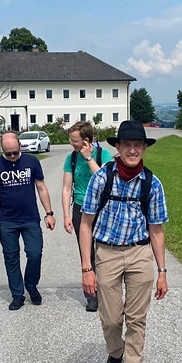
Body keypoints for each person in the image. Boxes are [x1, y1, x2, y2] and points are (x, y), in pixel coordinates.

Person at [78, 119, 168, 363]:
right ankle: (115, 354)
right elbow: (86, 224)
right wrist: (86, 267)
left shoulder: (152, 183)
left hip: (140, 253)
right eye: (126, 145)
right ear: (117, 147)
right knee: (113, 319)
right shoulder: (102, 178)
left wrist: (163, 271)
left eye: (137, 145)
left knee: (137, 319)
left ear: (144, 149)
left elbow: (156, 229)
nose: (132, 150)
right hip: (107, 253)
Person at [0, 132, 56, 310]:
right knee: (11, 258)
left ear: (20, 146)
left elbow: (41, 187)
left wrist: (49, 213)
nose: (12, 156)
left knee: (34, 253)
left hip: (30, 218)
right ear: (2, 150)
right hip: (7, 220)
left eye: (15, 152)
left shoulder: (32, 162)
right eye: (8, 154)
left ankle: (30, 284)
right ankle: (17, 295)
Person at [61, 121, 113, 312]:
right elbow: (67, 188)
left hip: (102, 208)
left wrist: (89, 158)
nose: (71, 144)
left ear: (87, 140)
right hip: (80, 208)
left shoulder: (103, 155)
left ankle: (106, 291)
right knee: (87, 253)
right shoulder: (71, 159)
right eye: (71, 140)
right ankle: (92, 296)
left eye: (74, 141)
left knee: (105, 252)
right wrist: (66, 214)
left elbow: (105, 180)